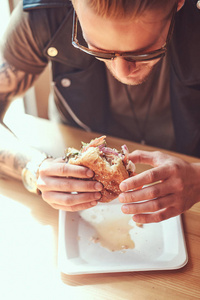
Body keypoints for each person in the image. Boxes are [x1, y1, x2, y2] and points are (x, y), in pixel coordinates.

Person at [0, 0, 200, 223]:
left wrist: (198, 177)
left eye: (143, 52)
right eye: (98, 49)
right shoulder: (43, 15)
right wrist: (33, 167)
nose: (122, 71)